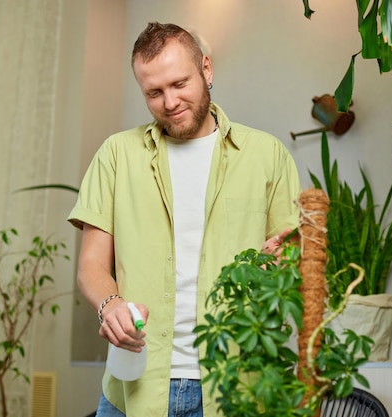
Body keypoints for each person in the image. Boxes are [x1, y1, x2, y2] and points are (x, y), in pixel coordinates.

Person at [68, 22, 301, 417]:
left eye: (180, 84)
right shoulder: (116, 155)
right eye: (154, 93)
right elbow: (91, 266)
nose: (170, 101)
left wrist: (279, 265)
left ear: (206, 70)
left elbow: (292, 260)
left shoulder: (267, 154)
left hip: (236, 387)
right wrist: (110, 305)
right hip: (134, 389)